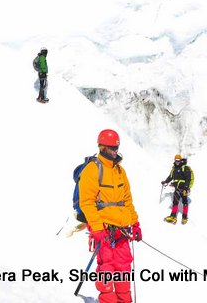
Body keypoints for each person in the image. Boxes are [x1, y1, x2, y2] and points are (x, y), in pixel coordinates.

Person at [79, 129, 142, 303]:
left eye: (117, 147)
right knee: (106, 270)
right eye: (112, 147)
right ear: (102, 147)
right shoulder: (92, 170)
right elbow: (87, 203)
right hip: (104, 230)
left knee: (123, 270)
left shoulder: (120, 171)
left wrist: (135, 223)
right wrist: (97, 228)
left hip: (122, 232)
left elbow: (127, 201)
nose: (116, 150)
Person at [162, 155, 193, 224]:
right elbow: (170, 177)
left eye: (178, 160)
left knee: (184, 201)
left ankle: (184, 217)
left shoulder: (184, 168)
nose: (177, 162)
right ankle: (173, 217)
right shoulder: (174, 169)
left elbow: (188, 179)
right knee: (175, 201)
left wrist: (186, 188)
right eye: (176, 160)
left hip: (184, 188)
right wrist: (165, 182)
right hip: (177, 188)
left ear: (180, 160)